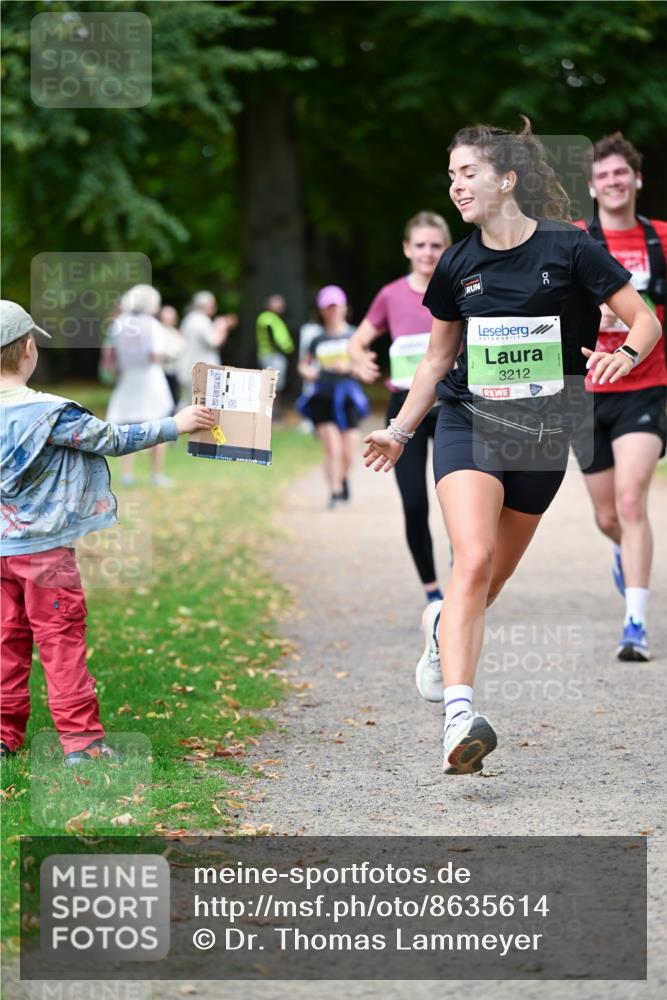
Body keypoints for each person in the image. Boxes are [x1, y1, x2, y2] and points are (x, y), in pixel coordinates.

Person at [362, 119, 661, 776]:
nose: (455, 186)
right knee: (470, 558)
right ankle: (458, 719)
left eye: (466, 172)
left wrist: (623, 358)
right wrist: (401, 430)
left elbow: (643, 318)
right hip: (470, 423)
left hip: (546, 432)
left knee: (488, 581)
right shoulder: (456, 264)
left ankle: (438, 628)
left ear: (506, 177)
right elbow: (436, 361)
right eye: (449, 176)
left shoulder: (571, 248)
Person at [0, 299, 215, 764]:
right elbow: (113, 439)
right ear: (28, 350)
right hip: (45, 555)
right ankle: (81, 743)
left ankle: (3, 735)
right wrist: (174, 425)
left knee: (5, 644)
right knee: (61, 643)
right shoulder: (52, 414)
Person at [572, 132, 667, 661]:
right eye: (602, 176)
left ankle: (634, 622)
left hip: (645, 385)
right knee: (608, 516)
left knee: (633, 500)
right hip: (586, 393)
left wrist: (637, 315)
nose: (612, 182)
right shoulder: (575, 241)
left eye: (620, 173)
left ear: (636, 179)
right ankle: (623, 553)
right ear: (592, 186)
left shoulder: (661, 238)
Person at [348, 212, 452, 603]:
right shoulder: (390, 295)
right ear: (407, 249)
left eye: (435, 245)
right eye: (420, 245)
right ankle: (432, 592)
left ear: (446, 249)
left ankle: (464, 581)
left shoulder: (459, 288)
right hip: (403, 407)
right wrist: (360, 358)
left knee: (459, 499)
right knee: (414, 502)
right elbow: (358, 341)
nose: (428, 252)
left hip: (450, 404)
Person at [297, 286, 369, 507]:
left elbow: (365, 366)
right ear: (322, 310)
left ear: (344, 308)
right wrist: (307, 372)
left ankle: (342, 478)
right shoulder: (316, 339)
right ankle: (334, 491)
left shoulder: (354, 335)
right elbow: (304, 365)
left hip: (348, 397)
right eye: (328, 307)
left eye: (336, 306)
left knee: (349, 452)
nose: (333, 311)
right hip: (323, 396)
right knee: (333, 449)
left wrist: (349, 366)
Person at [105, 284, 175, 487]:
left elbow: (111, 357)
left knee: (128, 426)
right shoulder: (153, 325)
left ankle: (127, 474)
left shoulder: (118, 323)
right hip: (150, 378)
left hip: (128, 378)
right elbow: (155, 355)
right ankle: (156, 474)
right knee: (159, 424)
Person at [177, 291, 236, 408]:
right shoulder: (202, 321)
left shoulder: (189, 318)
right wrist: (223, 325)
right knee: (195, 403)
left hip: (187, 366)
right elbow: (215, 341)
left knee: (187, 401)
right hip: (199, 369)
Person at [256, 294, 296, 405]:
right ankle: (271, 410)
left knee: (276, 384)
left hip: (277, 355)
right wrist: (283, 350)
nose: (281, 305)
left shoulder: (275, 318)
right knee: (272, 384)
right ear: (269, 304)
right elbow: (271, 336)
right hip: (271, 355)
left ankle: (273, 410)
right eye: (277, 302)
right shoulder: (266, 317)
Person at [158, 304, 185, 411]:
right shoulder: (159, 332)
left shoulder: (174, 333)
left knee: (173, 397)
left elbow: (181, 347)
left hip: (174, 370)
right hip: (162, 371)